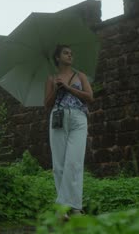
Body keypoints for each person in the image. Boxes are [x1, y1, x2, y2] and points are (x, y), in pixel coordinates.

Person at [44, 44, 94, 218]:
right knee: (59, 165)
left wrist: (69, 88)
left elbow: (90, 97)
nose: (70, 55)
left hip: (79, 119)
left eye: (71, 53)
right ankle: (70, 209)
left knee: (74, 162)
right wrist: (57, 89)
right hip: (58, 118)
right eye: (66, 53)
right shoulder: (51, 79)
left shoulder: (80, 76)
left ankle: (69, 206)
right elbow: (47, 104)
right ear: (57, 57)